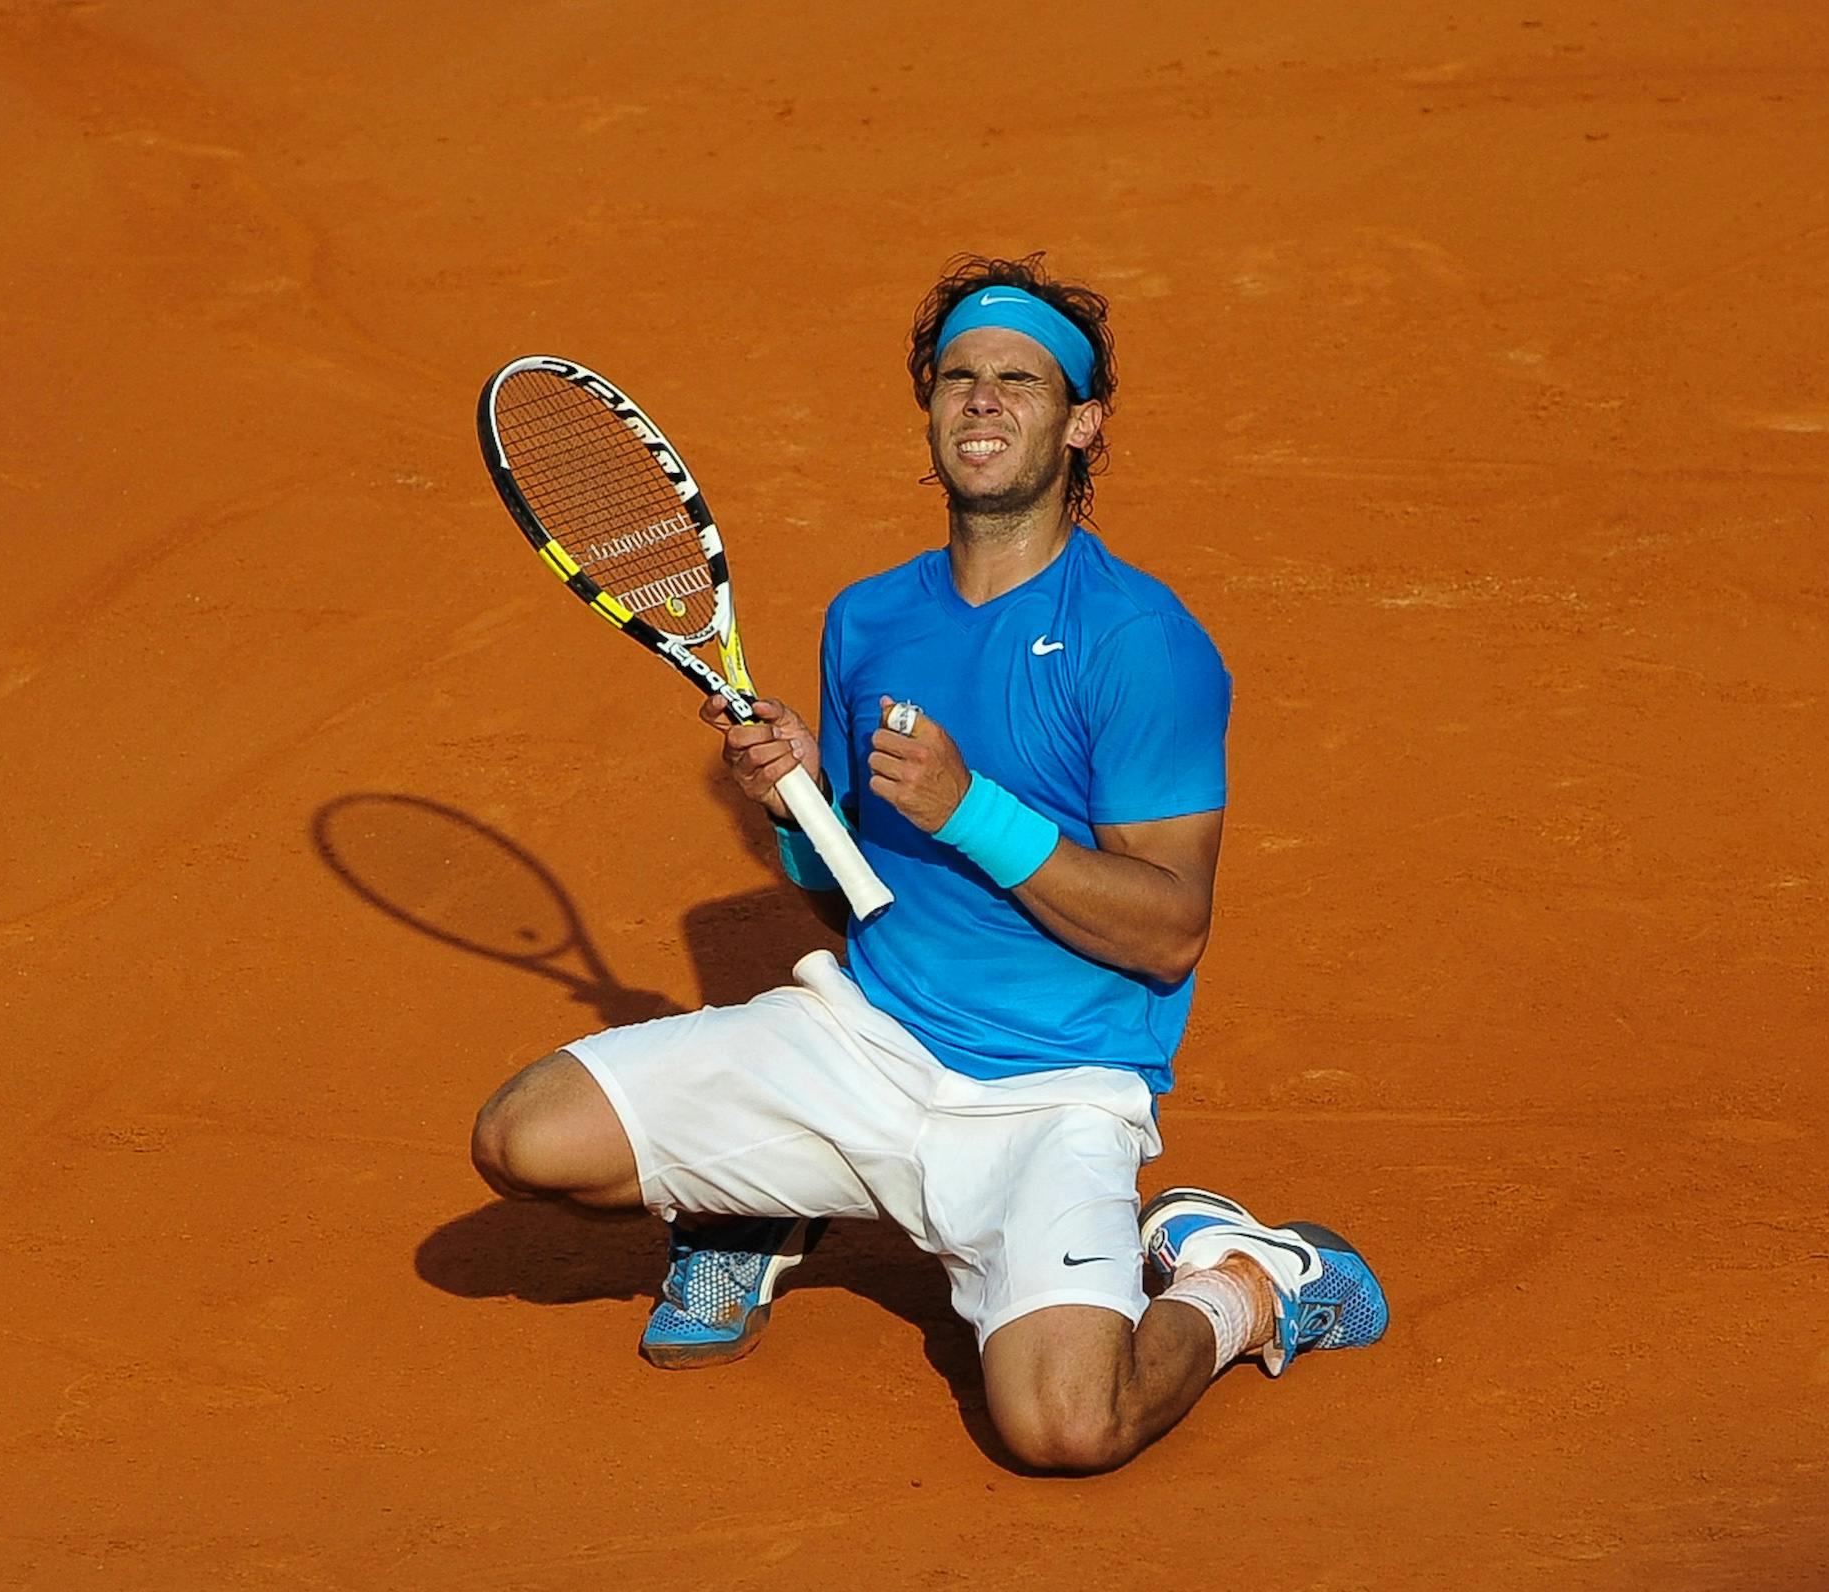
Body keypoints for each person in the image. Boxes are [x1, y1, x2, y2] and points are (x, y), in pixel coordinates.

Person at [468, 254, 1388, 1474]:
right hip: (867, 1045)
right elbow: (856, 882)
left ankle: (1249, 1280)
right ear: (931, 408)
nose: (985, 401)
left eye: (1021, 380)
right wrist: (799, 803)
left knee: (1070, 1424)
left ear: (1083, 423)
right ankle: (758, 1198)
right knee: (523, 1137)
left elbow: (1170, 929)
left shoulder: (1143, 643)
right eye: (960, 377)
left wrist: (972, 809)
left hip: (1053, 1093)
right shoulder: (869, 618)